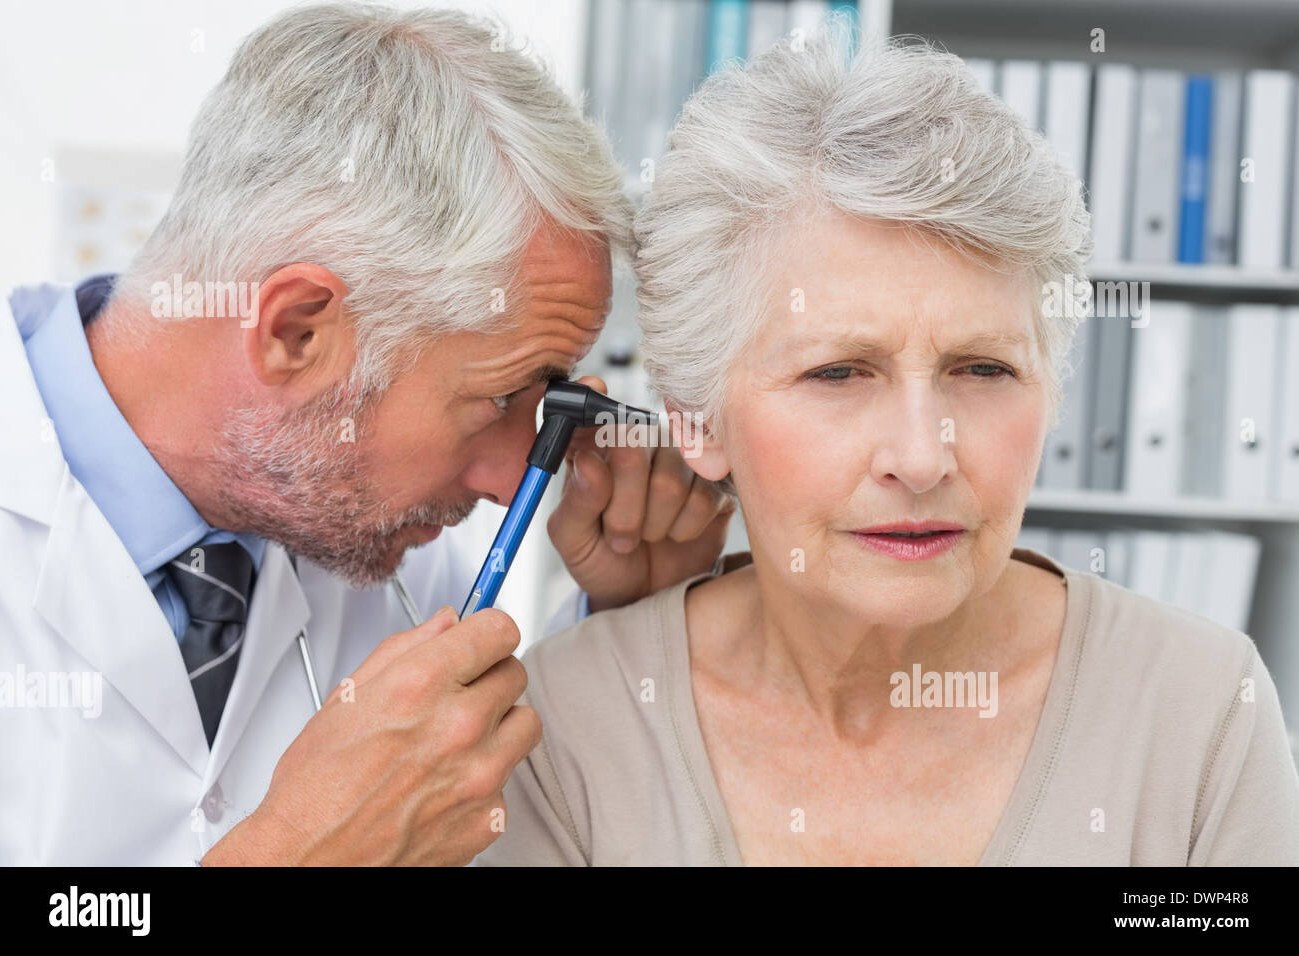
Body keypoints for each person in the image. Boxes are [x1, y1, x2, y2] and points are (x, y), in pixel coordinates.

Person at [477, 31, 1299, 865]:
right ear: (694, 415)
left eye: (983, 368)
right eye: (838, 373)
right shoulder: (561, 729)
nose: (922, 458)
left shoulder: (1200, 713)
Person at [0, 3, 732, 865]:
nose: (509, 481)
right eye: (500, 399)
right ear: (297, 330)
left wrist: (626, 625)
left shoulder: (391, 555)